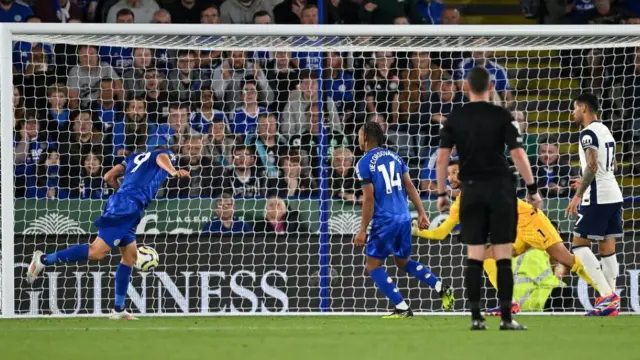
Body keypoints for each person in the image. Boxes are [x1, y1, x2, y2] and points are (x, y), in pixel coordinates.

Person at [413, 158, 597, 315]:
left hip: (532, 223)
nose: (449, 177)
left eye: (454, 172)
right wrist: (416, 231)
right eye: (448, 173)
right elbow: (441, 232)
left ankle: (604, 293)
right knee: (485, 258)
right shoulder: (460, 203)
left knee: (566, 259)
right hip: (515, 232)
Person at [26, 147, 190, 320]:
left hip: (125, 204)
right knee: (97, 251)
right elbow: (162, 157)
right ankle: (44, 260)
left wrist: (122, 193)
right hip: (128, 206)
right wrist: (173, 171)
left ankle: (118, 309)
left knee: (130, 257)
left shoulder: (133, 157)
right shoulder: (164, 153)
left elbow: (108, 177)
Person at [436, 66, 541, 330]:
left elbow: (442, 157)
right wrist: (532, 188)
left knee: (475, 256)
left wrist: (441, 193)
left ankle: (475, 318)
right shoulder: (501, 114)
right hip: (500, 190)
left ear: (466, 87)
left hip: (470, 190)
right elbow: (518, 154)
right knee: (503, 255)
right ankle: (506, 318)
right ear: (491, 87)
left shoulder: (455, 117)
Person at [353, 122, 454, 318]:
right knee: (402, 261)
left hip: (385, 220)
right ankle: (441, 286)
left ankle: (401, 307)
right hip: (404, 217)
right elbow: (410, 186)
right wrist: (422, 212)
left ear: (365, 138)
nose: (357, 138)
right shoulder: (395, 156)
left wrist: (363, 229)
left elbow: (368, 198)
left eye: (359, 135)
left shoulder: (364, 163)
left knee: (373, 265)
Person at [565, 93, 623, 316]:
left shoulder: (587, 133)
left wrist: (579, 194)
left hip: (597, 196)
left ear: (583, 108)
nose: (573, 113)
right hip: (613, 194)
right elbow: (612, 166)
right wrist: (589, 177)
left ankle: (607, 296)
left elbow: (591, 165)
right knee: (607, 248)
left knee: (579, 245)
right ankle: (610, 303)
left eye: (574, 108)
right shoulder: (605, 130)